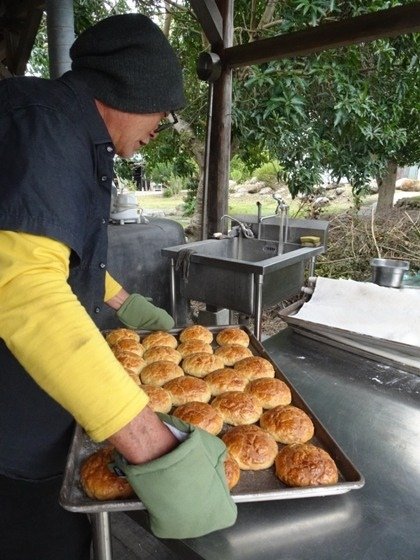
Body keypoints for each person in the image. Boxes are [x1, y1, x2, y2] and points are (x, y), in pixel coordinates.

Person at [0, 13, 237, 560]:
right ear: (127, 90)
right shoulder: (42, 126)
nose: (162, 124)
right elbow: (24, 287)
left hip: (42, 396)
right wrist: (152, 445)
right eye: (162, 108)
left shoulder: (73, 136)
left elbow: (57, 254)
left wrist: (125, 303)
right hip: (11, 421)